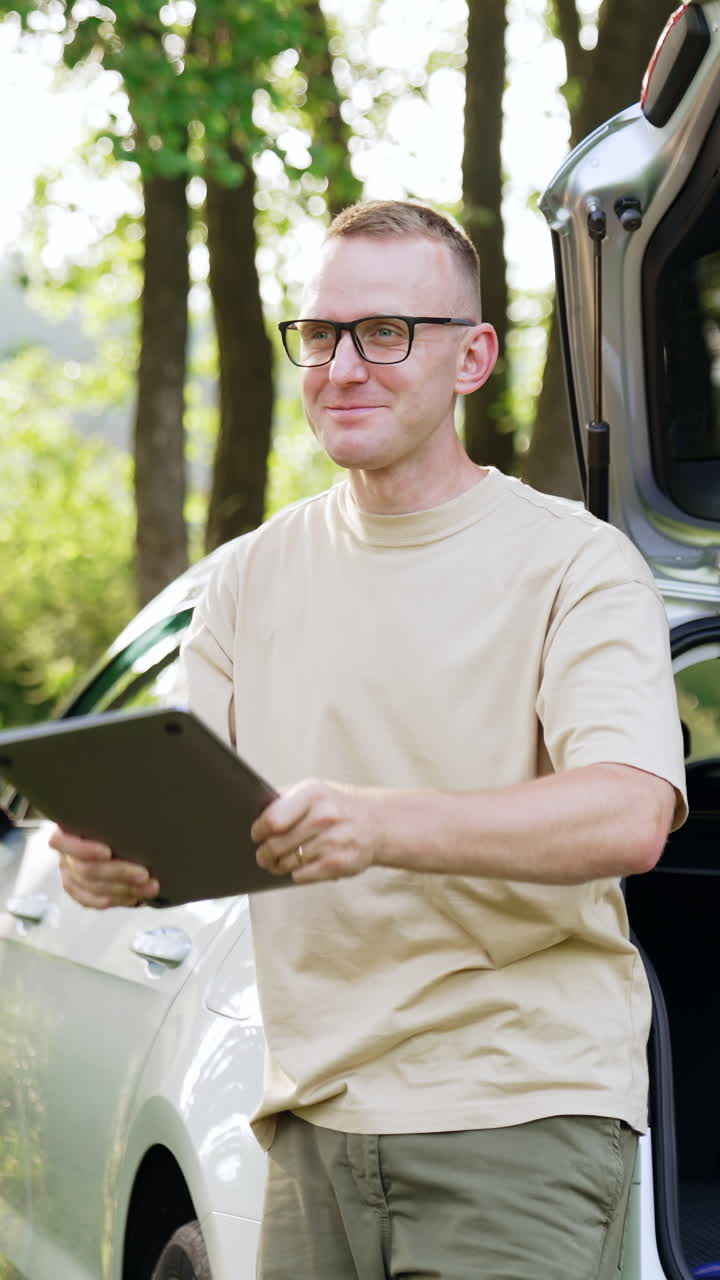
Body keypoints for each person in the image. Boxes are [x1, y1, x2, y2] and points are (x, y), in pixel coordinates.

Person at [52, 199, 687, 1280]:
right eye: (321, 334)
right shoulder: (248, 577)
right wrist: (116, 863)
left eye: (386, 332)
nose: (343, 366)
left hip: (517, 1112)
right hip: (309, 1120)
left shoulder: (574, 565)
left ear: (472, 356)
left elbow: (628, 810)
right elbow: (195, 814)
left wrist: (379, 823)